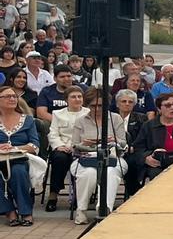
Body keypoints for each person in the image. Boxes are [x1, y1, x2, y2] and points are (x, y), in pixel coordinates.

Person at [68, 87, 127, 224]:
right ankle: (81, 210)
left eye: (101, 105)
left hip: (112, 157)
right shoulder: (80, 121)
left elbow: (123, 143)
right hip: (86, 158)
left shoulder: (115, 118)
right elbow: (74, 146)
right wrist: (85, 144)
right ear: (87, 106)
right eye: (93, 106)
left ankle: (104, 209)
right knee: (88, 174)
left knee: (110, 173)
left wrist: (114, 141)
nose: (97, 109)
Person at [0, 86, 40, 226]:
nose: (12, 99)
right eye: (7, 96)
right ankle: (9, 211)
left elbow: (35, 145)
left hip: (19, 158)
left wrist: (15, 148)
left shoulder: (28, 120)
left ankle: (25, 212)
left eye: (14, 96)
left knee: (18, 172)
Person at [45, 85, 87, 212]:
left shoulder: (88, 113)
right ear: (66, 99)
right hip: (62, 147)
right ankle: (53, 196)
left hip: (82, 148)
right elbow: (53, 134)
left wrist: (76, 147)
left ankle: (79, 197)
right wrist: (60, 146)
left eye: (79, 96)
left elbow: (90, 134)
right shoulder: (58, 114)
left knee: (82, 161)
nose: (77, 99)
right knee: (59, 158)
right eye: (73, 97)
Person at [113, 89, 148, 197]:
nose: (127, 104)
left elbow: (143, 138)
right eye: (123, 101)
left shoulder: (142, 118)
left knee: (132, 161)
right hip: (113, 151)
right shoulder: (110, 118)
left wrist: (133, 147)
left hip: (133, 151)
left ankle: (133, 194)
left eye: (130, 102)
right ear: (117, 104)